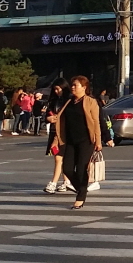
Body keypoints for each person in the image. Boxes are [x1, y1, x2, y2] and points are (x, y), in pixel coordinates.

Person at [53, 76, 103, 210]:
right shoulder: (69, 101)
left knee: (81, 168)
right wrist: (56, 141)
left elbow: (96, 122)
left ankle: (81, 196)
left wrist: (98, 141)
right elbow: (61, 123)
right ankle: (81, 189)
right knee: (67, 169)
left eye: (76, 85)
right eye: (72, 85)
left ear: (84, 87)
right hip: (70, 140)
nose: (73, 87)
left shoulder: (91, 102)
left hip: (86, 140)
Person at [42, 81, 71, 193]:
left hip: (64, 132)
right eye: (55, 89)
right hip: (54, 131)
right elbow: (46, 114)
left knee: (59, 158)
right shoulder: (53, 100)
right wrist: (48, 118)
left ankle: (53, 183)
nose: (56, 91)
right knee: (60, 158)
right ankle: (66, 181)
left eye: (59, 89)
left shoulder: (69, 100)